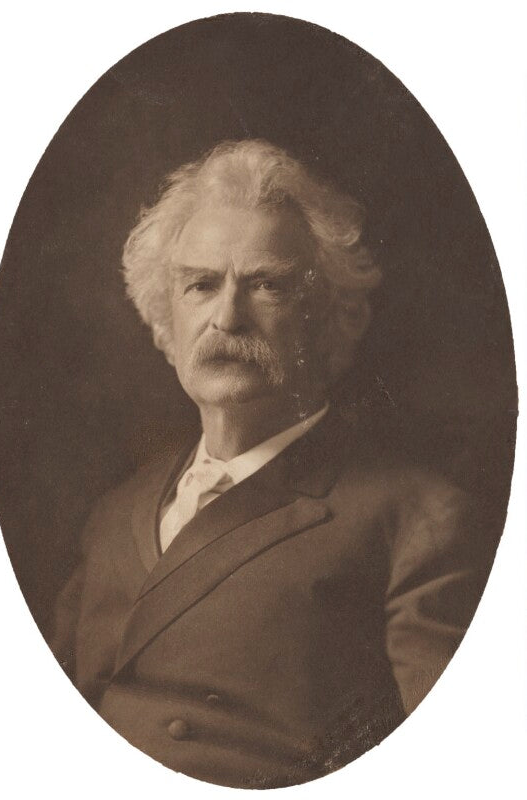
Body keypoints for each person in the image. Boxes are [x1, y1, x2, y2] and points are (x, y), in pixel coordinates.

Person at [52, 139, 491, 788]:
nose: (227, 318)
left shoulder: (416, 517)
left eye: (267, 286)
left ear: (329, 316)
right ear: (166, 316)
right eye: (201, 285)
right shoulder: (116, 514)